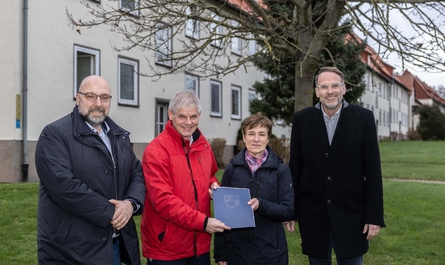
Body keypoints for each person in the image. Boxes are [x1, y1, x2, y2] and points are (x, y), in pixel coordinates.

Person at [35, 75, 145, 265]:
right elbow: (62, 186)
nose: (98, 103)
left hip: (113, 247)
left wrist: (130, 204)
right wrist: (112, 213)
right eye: (90, 96)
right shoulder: (54, 134)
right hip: (71, 251)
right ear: (78, 99)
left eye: (104, 97)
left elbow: (136, 173)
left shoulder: (118, 136)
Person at [285, 67, 385, 265]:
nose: (329, 91)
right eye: (324, 87)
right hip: (313, 212)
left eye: (334, 86)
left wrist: (374, 216)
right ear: (317, 92)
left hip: (352, 214)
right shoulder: (302, 120)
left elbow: (373, 171)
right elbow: (295, 169)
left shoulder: (363, 118)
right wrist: (291, 211)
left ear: (344, 88)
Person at [141, 90, 230, 264]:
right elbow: (162, 201)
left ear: (199, 115)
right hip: (167, 249)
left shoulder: (203, 145)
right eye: (182, 117)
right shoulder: (156, 150)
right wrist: (203, 223)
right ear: (170, 115)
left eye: (193, 117)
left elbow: (211, 174)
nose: (188, 123)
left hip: (199, 246)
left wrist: (213, 187)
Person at [214, 112, 294, 265]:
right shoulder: (232, 169)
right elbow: (222, 213)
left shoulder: (281, 170)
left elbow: (287, 210)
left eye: (261, 134)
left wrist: (261, 204)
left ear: (268, 138)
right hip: (237, 252)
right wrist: (221, 253)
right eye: (251, 134)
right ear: (244, 138)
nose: (256, 139)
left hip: (270, 253)